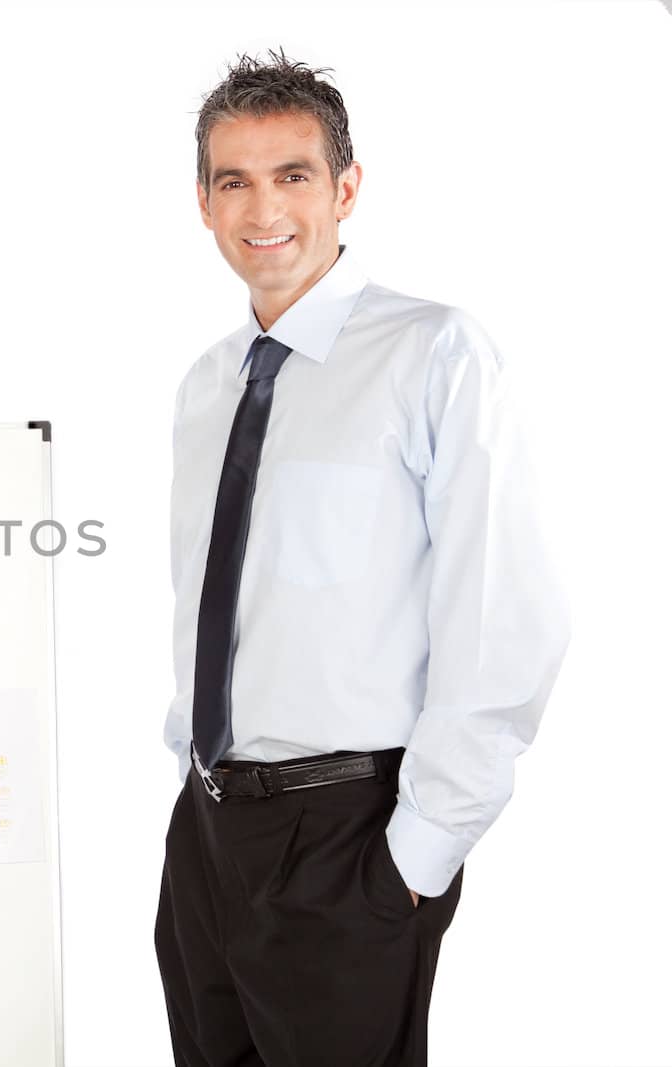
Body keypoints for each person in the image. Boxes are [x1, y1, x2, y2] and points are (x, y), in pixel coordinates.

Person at [154, 49, 569, 1066]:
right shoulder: (208, 385)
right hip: (208, 833)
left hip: (348, 833)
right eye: (233, 180)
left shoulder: (435, 353)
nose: (263, 208)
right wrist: (189, 778)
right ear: (202, 203)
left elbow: (501, 614)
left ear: (344, 188)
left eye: (292, 174)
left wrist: (414, 858)